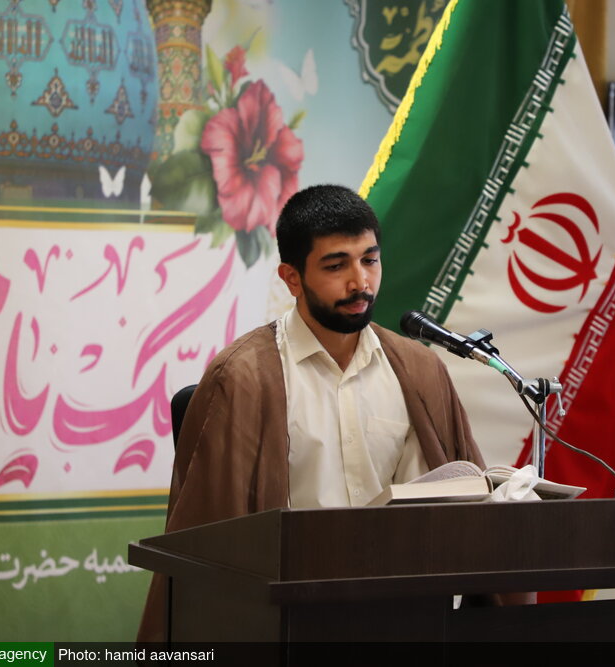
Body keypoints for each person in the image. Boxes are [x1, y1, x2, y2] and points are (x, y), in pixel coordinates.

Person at [137, 184, 485, 642]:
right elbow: (214, 544)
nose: (360, 282)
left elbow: (459, 505)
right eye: (336, 266)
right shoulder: (242, 379)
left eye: (370, 260)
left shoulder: (419, 370)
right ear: (292, 278)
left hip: (404, 620)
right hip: (291, 623)